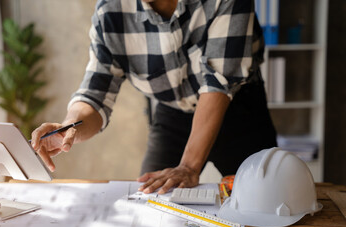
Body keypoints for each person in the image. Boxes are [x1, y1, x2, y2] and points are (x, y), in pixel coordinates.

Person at [31, 0, 277, 194]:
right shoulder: (110, 12)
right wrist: (69, 126)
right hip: (172, 112)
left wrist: (189, 167)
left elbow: (218, 83)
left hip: (237, 109)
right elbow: (95, 94)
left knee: (266, 198)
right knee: (152, 200)